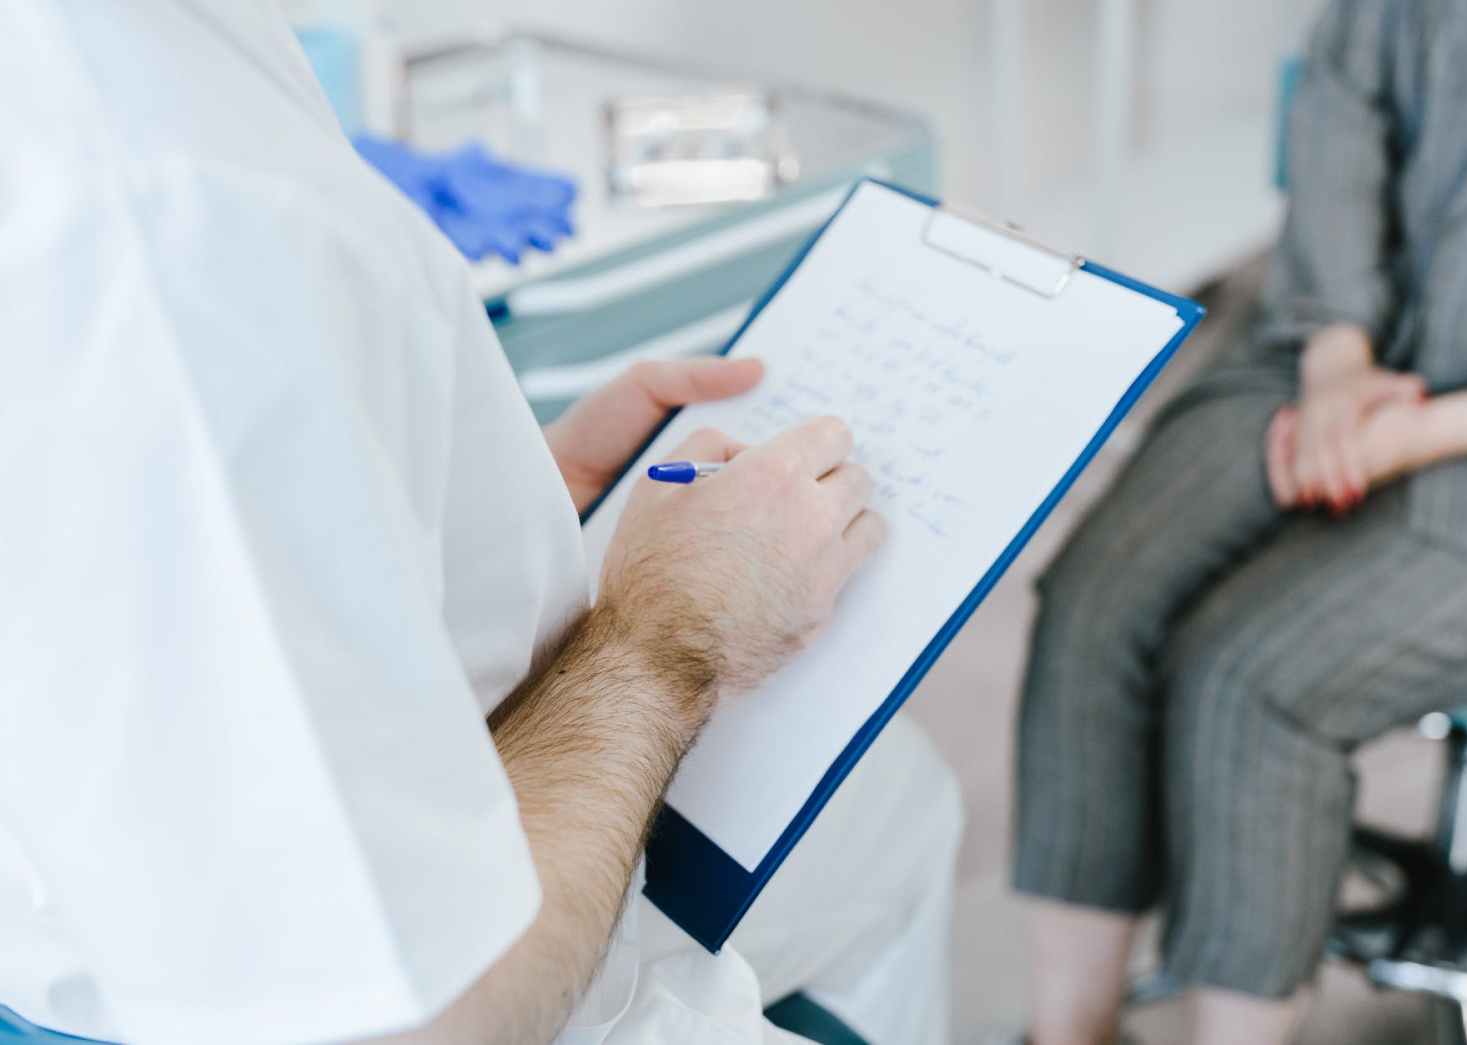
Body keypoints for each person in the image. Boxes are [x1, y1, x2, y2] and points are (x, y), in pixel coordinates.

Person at [0, 3, 961, 1044]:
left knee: (901, 800)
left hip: (213, 877)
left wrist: (480, 492)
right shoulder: (168, 228)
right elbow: (424, 1020)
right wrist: (666, 628)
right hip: (477, 992)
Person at [1012, 0, 1467, 1042]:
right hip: (1335, 339)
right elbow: (1338, 113)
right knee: (1096, 601)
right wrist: (1337, 356)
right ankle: (1067, 1030)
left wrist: (1414, 430)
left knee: (1250, 677)